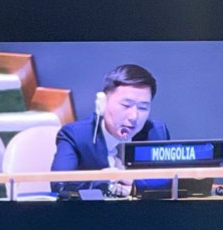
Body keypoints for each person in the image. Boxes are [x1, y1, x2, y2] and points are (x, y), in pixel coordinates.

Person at [50, 64, 170, 196]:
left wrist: (136, 185)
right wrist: (105, 182)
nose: (134, 117)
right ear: (102, 103)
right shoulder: (75, 135)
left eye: (143, 108)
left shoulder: (155, 132)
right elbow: (60, 185)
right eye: (126, 105)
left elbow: (171, 183)